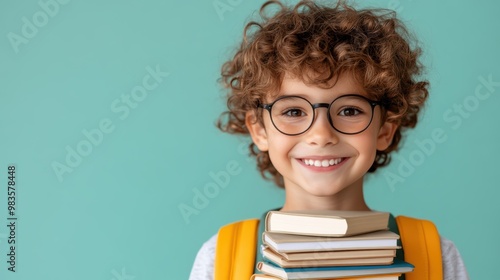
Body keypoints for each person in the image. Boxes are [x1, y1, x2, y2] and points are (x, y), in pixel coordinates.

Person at [189, 0, 468, 279]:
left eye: (349, 110)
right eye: (294, 111)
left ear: (386, 129)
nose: (321, 135)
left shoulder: (436, 256)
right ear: (259, 129)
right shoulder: (220, 258)